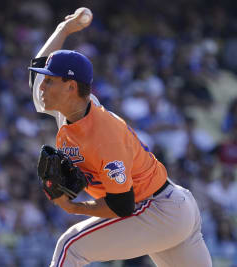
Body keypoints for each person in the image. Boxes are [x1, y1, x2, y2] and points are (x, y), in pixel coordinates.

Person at [28, 9, 212, 267]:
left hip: (156, 209)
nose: (42, 87)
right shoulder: (73, 107)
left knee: (71, 247)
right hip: (171, 206)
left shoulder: (105, 135)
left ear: (71, 88)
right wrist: (63, 30)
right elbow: (36, 73)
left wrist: (75, 208)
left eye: (50, 82)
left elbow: (122, 207)